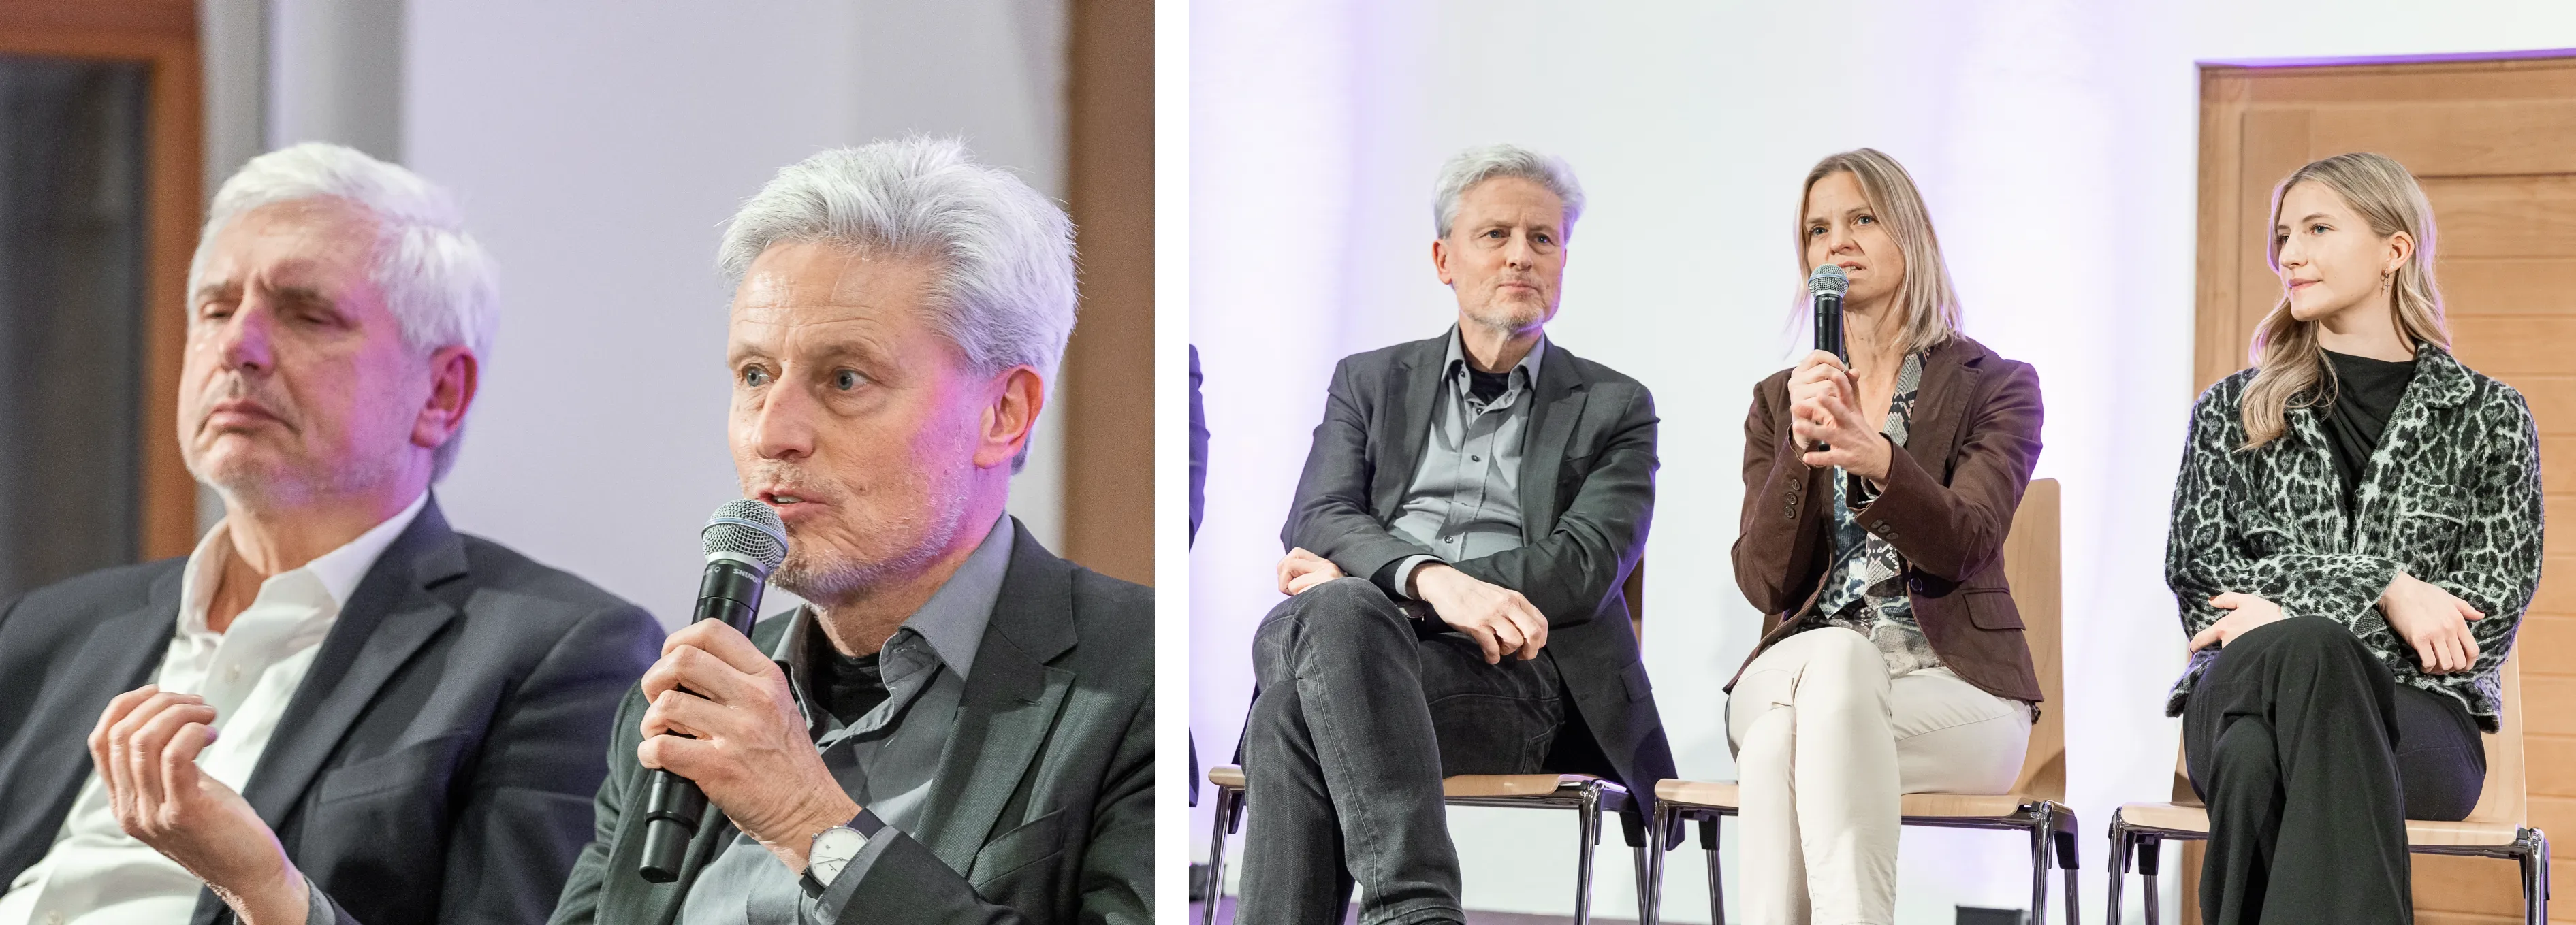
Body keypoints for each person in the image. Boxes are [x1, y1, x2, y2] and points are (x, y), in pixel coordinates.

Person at [0, 142, 664, 925]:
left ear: (441, 394)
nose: (237, 347)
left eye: (307, 314)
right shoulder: (47, 633)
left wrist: (266, 891)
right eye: (215, 309)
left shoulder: (557, 656)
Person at [544, 137, 1154, 925]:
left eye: (844, 379)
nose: (772, 433)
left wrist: (809, 822)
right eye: (755, 376)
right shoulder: (682, 699)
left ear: (1004, 413)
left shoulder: (1138, 673)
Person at [1243, 144, 1670, 925]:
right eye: (1495, 234)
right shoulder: (1369, 381)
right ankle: (1416, 912)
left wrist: (1390, 591)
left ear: (1564, 261)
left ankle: (1413, 910)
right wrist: (1431, 582)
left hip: (1511, 675)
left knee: (1292, 709)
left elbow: (1583, 567)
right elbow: (1318, 516)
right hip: (1345, 637)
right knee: (1335, 627)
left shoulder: (1615, 405)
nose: (1521, 256)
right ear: (1444, 260)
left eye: (1543, 239)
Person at [2164, 151, 2543, 924]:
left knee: (2255, 758)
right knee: (2301, 671)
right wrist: (2387, 587)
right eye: (2283, 236)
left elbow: (2489, 609)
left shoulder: (2487, 419)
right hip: (2239, 692)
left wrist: (2292, 615)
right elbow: (2203, 580)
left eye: (2317, 230)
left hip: (2420, 717)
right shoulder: (2230, 411)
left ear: (2393, 250)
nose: (2289, 254)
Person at [1725, 148, 2045, 925]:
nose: (1836, 242)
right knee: (1836, 661)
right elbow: (1764, 583)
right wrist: (1800, 449)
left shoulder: (1996, 386)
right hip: (1798, 670)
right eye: (1817, 230)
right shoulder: (1777, 400)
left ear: (1914, 235)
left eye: (1862, 219)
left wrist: (1879, 461)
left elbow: (1967, 540)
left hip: (1955, 690)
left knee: (1776, 750)